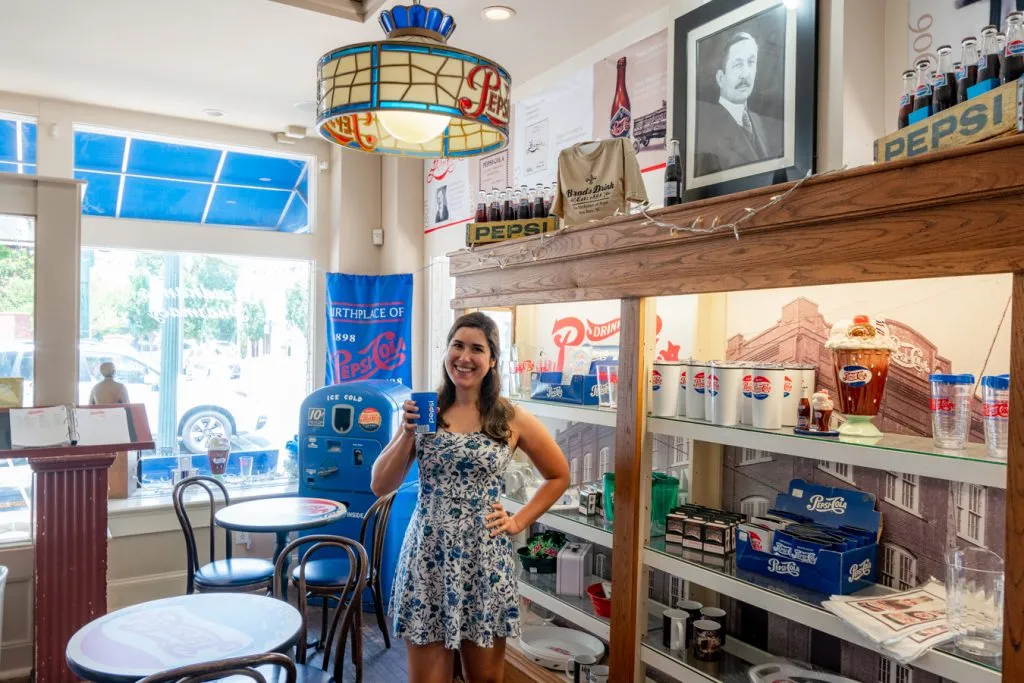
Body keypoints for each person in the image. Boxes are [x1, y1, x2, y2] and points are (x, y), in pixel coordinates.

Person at [373, 312, 570, 683]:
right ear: (447, 351)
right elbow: (380, 485)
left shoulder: (511, 417)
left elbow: (559, 475)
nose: (464, 357)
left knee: (486, 679)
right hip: (428, 556)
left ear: (492, 360)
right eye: (457, 345)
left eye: (477, 349)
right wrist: (406, 433)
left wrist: (518, 520)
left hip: (484, 560)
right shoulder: (428, 410)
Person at [694, 31, 783, 177]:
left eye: (751, 62)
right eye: (738, 64)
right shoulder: (706, 127)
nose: (746, 73)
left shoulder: (757, 121)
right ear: (721, 78)